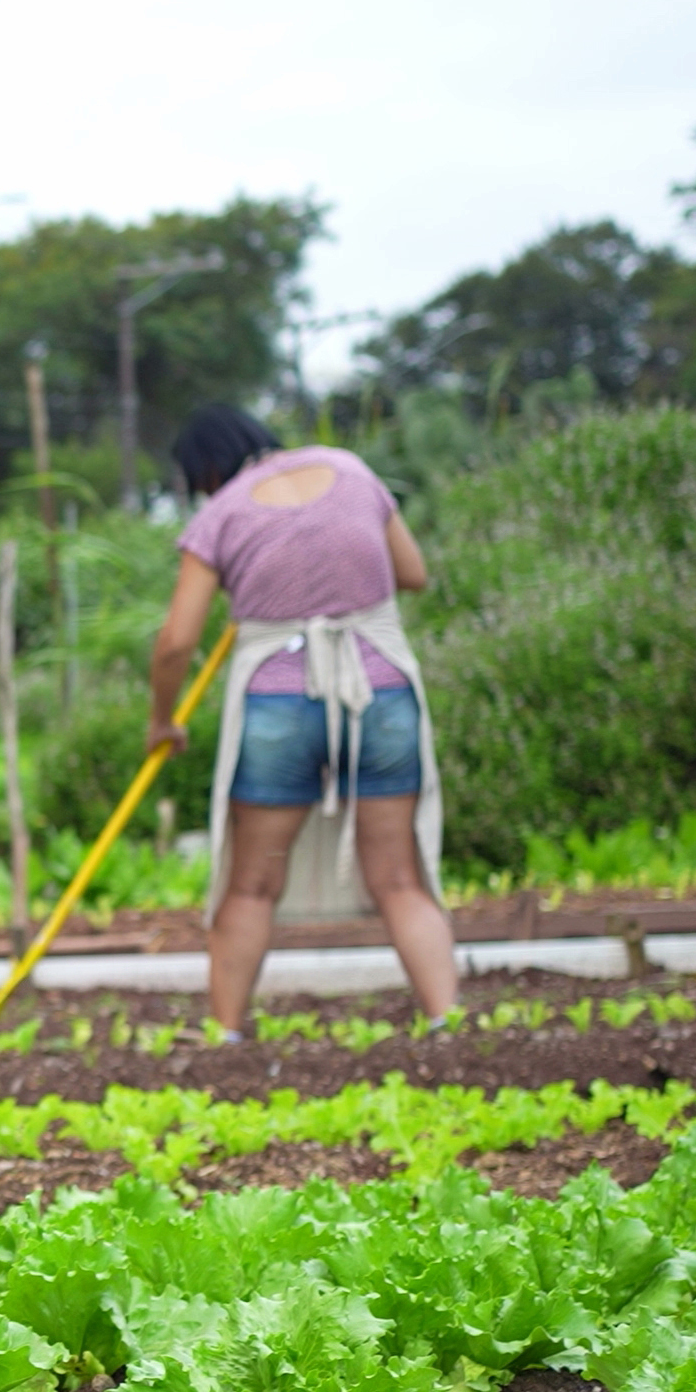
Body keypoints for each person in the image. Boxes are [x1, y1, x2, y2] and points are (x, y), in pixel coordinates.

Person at [143, 404, 457, 1033]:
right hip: (379, 692)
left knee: (252, 883)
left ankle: (228, 1036)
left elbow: (176, 642)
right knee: (399, 877)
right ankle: (448, 1024)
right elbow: (413, 573)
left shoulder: (221, 513)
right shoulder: (352, 472)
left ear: (206, 469)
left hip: (278, 705)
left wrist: (162, 720)